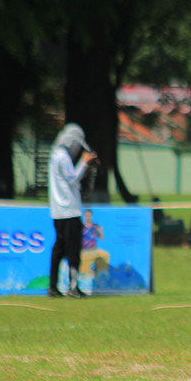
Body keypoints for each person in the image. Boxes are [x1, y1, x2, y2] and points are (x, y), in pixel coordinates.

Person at [48, 123, 98, 298]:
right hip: (70, 211)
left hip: (58, 211)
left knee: (59, 249)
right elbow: (72, 179)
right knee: (73, 250)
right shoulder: (63, 157)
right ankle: (73, 287)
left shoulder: (55, 156)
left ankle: (53, 287)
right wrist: (84, 163)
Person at [80, 209, 110, 281]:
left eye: (89, 216)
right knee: (84, 260)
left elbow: (102, 238)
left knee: (105, 255)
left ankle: (101, 275)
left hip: (93, 250)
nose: (88, 217)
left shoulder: (95, 227)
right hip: (84, 250)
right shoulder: (81, 227)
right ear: (84, 217)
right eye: (86, 216)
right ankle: (84, 276)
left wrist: (100, 231)